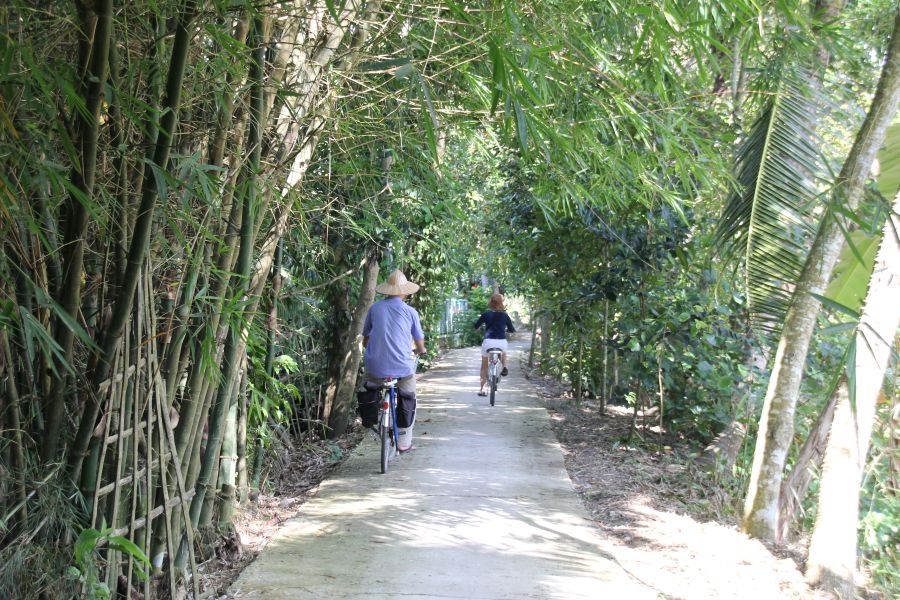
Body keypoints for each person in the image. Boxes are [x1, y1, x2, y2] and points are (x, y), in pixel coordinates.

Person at [357, 269, 426, 453]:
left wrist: (370, 347)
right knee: (410, 394)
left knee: (367, 384)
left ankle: (370, 417)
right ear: (404, 291)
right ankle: (405, 443)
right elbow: (419, 340)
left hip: (375, 368)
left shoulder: (375, 308)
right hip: (402, 369)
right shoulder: (410, 311)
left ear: (387, 290)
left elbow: (366, 338)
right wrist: (421, 350)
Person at [473, 292, 515, 397]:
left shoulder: (486, 314)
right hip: (501, 342)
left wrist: (478, 329)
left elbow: (476, 326)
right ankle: (504, 366)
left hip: (488, 342)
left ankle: (482, 389)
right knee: (504, 352)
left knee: (484, 365)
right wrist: (508, 330)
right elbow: (512, 329)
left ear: (490, 303)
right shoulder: (505, 316)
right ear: (502, 303)